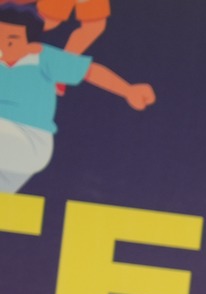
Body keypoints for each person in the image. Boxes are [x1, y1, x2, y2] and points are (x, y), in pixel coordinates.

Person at [0, 8, 152, 195]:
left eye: (11, 40)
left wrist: (128, 90)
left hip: (31, 139)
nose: (3, 46)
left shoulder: (42, 58)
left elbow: (90, 72)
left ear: (32, 45)